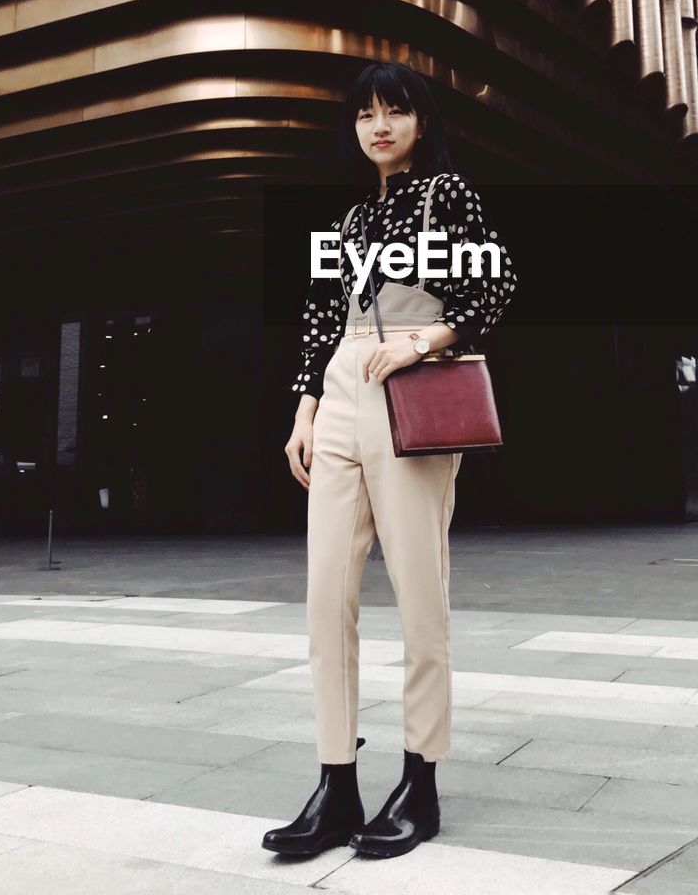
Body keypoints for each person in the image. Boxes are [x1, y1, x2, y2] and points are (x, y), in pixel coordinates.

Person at [263, 61, 517, 860]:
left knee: (419, 596)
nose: (379, 126)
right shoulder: (347, 221)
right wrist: (304, 409)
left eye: (395, 112)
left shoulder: (451, 196)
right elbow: (317, 318)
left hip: (411, 398)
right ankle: (337, 784)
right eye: (366, 114)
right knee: (325, 599)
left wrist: (426, 339)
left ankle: (421, 781)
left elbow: (497, 284)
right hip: (341, 396)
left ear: (422, 122)